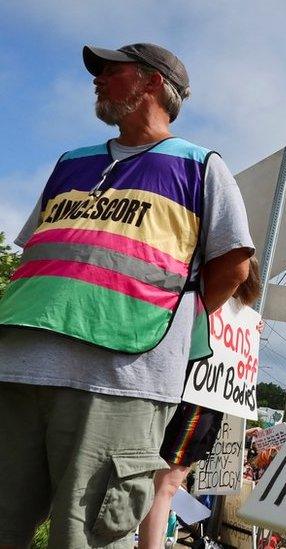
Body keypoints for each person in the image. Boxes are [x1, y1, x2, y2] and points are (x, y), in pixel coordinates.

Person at [0, 43, 254, 548]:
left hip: (119, 378)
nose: (96, 80)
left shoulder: (199, 166)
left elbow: (234, 266)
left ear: (153, 82)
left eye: (111, 71)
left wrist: (168, 316)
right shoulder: (71, 162)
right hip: (20, 363)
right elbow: (37, 249)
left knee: (84, 537)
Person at [138, 257, 262, 549]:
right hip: (195, 402)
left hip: (199, 400)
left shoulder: (228, 313)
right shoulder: (207, 303)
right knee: (165, 486)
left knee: (163, 485)